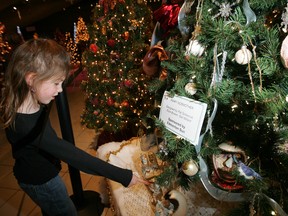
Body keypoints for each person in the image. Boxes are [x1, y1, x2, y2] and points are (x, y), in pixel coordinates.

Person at [0, 38, 149, 216]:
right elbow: (75, 157)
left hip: (38, 171)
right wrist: (125, 176)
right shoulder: (26, 124)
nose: (60, 90)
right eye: (56, 83)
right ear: (31, 79)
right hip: (41, 181)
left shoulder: (29, 97)